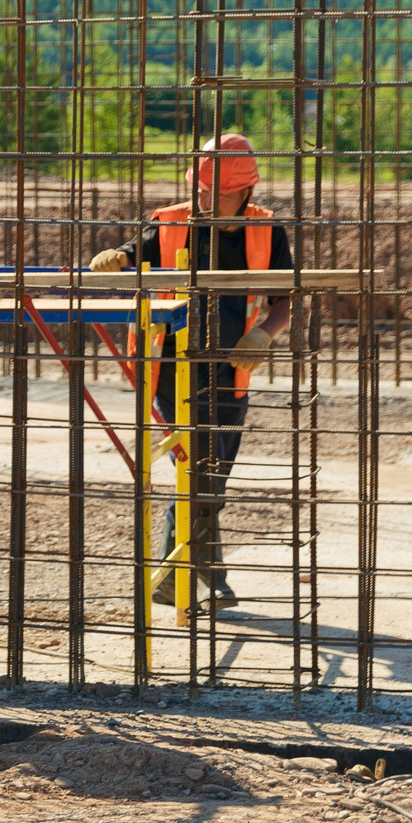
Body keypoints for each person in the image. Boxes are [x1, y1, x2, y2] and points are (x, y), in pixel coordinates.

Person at [86, 132, 294, 609]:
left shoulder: (267, 231)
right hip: (170, 369)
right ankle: (208, 578)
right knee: (201, 471)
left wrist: (264, 335)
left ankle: (168, 577)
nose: (204, 200)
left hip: (231, 369)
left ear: (245, 191)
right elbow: (132, 255)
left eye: (216, 193)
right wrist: (118, 258)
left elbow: (284, 300)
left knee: (208, 477)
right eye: (199, 190)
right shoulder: (170, 223)